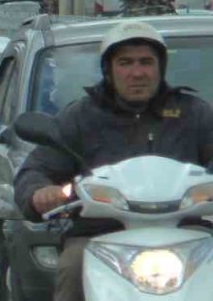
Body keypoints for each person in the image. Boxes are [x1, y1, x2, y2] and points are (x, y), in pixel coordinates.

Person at [13, 20, 213, 301]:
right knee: (72, 266)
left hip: (186, 231)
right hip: (99, 235)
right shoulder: (81, 117)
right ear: (108, 70)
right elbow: (38, 168)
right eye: (125, 63)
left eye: (146, 62)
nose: (137, 72)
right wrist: (39, 193)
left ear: (161, 68)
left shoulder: (194, 113)